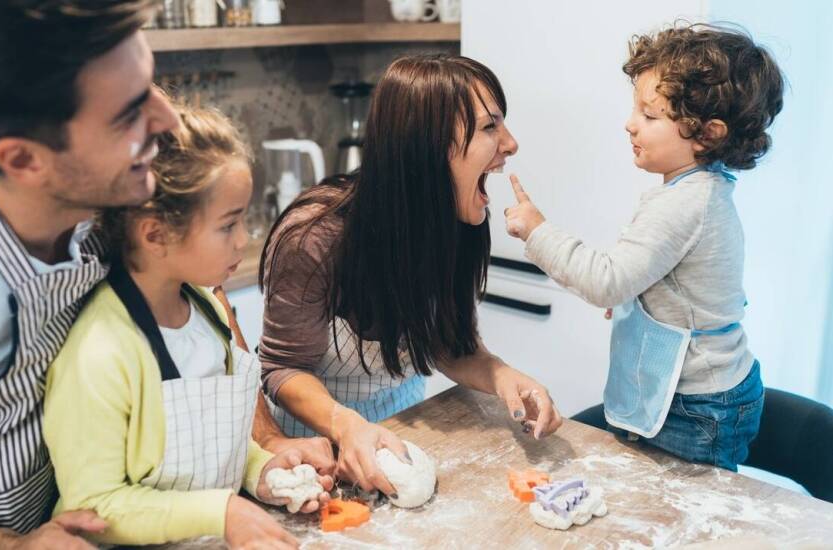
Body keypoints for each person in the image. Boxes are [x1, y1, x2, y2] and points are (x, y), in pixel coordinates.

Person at [0, 2, 331, 547]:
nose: (167, 121)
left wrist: (265, 446)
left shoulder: (125, 195)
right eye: (128, 113)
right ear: (23, 160)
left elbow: (209, 310)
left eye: (150, 87)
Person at [259, 54, 563, 497]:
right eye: (489, 127)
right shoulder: (315, 237)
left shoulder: (456, 221)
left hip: (404, 427)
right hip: (312, 451)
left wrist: (502, 376)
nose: (511, 144)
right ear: (427, 145)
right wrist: (346, 425)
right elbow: (283, 368)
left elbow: (447, 343)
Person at [44, 105, 329, 548]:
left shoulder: (209, 314)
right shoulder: (100, 352)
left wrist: (262, 472)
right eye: (228, 225)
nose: (243, 240)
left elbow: (210, 450)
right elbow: (94, 506)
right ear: (155, 234)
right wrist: (222, 511)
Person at [504, 24, 784, 470]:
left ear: (708, 134)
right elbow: (674, 283)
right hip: (707, 393)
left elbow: (606, 282)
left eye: (650, 116)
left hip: (696, 406)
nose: (630, 123)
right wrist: (641, 300)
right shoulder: (700, 190)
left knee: (676, 508)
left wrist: (537, 231)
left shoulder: (684, 204)